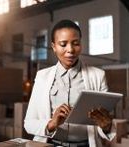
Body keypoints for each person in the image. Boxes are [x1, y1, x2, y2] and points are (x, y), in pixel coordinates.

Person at [24, 19, 116, 147]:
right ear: (54, 47)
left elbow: (104, 125)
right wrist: (52, 123)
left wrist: (107, 126)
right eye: (63, 44)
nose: (70, 50)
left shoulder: (98, 76)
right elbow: (29, 123)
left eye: (76, 43)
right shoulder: (42, 77)